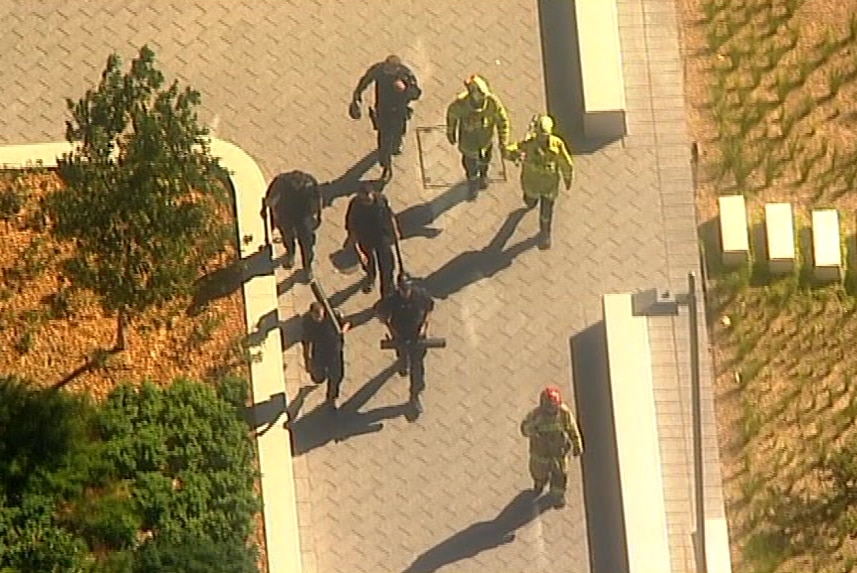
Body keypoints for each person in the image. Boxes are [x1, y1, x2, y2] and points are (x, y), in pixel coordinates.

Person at [504, 114, 574, 250]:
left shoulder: (557, 144)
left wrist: (567, 177)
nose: (543, 139)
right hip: (532, 184)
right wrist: (513, 154)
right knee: (530, 201)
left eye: (545, 136)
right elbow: (510, 151)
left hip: (549, 185)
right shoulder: (529, 144)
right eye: (541, 135)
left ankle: (545, 234)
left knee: (546, 213)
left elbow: (566, 162)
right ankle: (530, 203)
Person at [351, 55, 422, 181]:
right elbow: (366, 80)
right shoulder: (378, 70)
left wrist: (405, 90)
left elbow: (416, 93)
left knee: (399, 131)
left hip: (399, 111)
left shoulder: (405, 75)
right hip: (383, 111)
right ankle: (386, 167)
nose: (388, 72)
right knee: (384, 141)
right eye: (387, 69)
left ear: (397, 69)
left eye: (391, 70)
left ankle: (397, 143)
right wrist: (357, 96)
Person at [376, 275, 435, 415]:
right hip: (400, 336)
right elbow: (379, 311)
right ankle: (403, 363)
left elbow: (430, 308)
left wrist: (424, 326)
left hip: (417, 337)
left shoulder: (419, 294)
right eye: (403, 290)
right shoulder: (393, 299)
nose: (405, 293)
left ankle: (415, 395)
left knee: (417, 365)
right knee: (403, 358)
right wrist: (388, 326)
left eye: (407, 290)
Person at [445, 74, 510, 198]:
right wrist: (450, 132)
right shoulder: (461, 105)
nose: (482, 100)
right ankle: (473, 183)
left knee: (485, 161)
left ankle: (484, 175)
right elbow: (452, 116)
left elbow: (503, 121)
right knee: (470, 166)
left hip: (486, 142)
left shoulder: (493, 103)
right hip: (468, 145)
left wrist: (503, 141)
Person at [520, 386, 583, 509]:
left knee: (560, 475)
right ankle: (539, 484)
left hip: (558, 452)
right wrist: (532, 427)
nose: (551, 411)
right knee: (539, 472)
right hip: (540, 453)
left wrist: (577, 445)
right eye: (548, 407)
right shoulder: (536, 415)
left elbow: (572, 428)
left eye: (554, 407)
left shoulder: (564, 413)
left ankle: (557, 496)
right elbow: (524, 430)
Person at [344, 181, 401, 298]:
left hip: (381, 236)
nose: (366, 202)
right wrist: (358, 252)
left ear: (373, 194)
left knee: (387, 264)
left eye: (368, 200)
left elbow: (389, 215)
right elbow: (352, 228)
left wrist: (395, 231)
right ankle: (371, 277)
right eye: (363, 200)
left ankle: (387, 290)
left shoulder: (381, 200)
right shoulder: (355, 206)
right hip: (365, 238)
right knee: (369, 262)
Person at [261, 170, 322, 278]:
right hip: (295, 217)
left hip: (294, 216)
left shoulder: (281, 182)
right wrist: (317, 217)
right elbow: (318, 202)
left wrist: (267, 212)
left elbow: (269, 201)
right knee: (303, 243)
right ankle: (304, 266)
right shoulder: (309, 182)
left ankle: (294, 258)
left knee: (297, 241)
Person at [302, 301, 351, 410]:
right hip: (319, 353)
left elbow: (347, 322)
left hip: (334, 351)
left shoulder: (333, 314)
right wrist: (307, 360)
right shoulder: (308, 323)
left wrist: (342, 331)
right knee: (318, 377)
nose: (318, 319)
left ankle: (331, 398)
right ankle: (318, 378)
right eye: (315, 316)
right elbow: (306, 342)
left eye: (319, 315)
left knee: (336, 376)